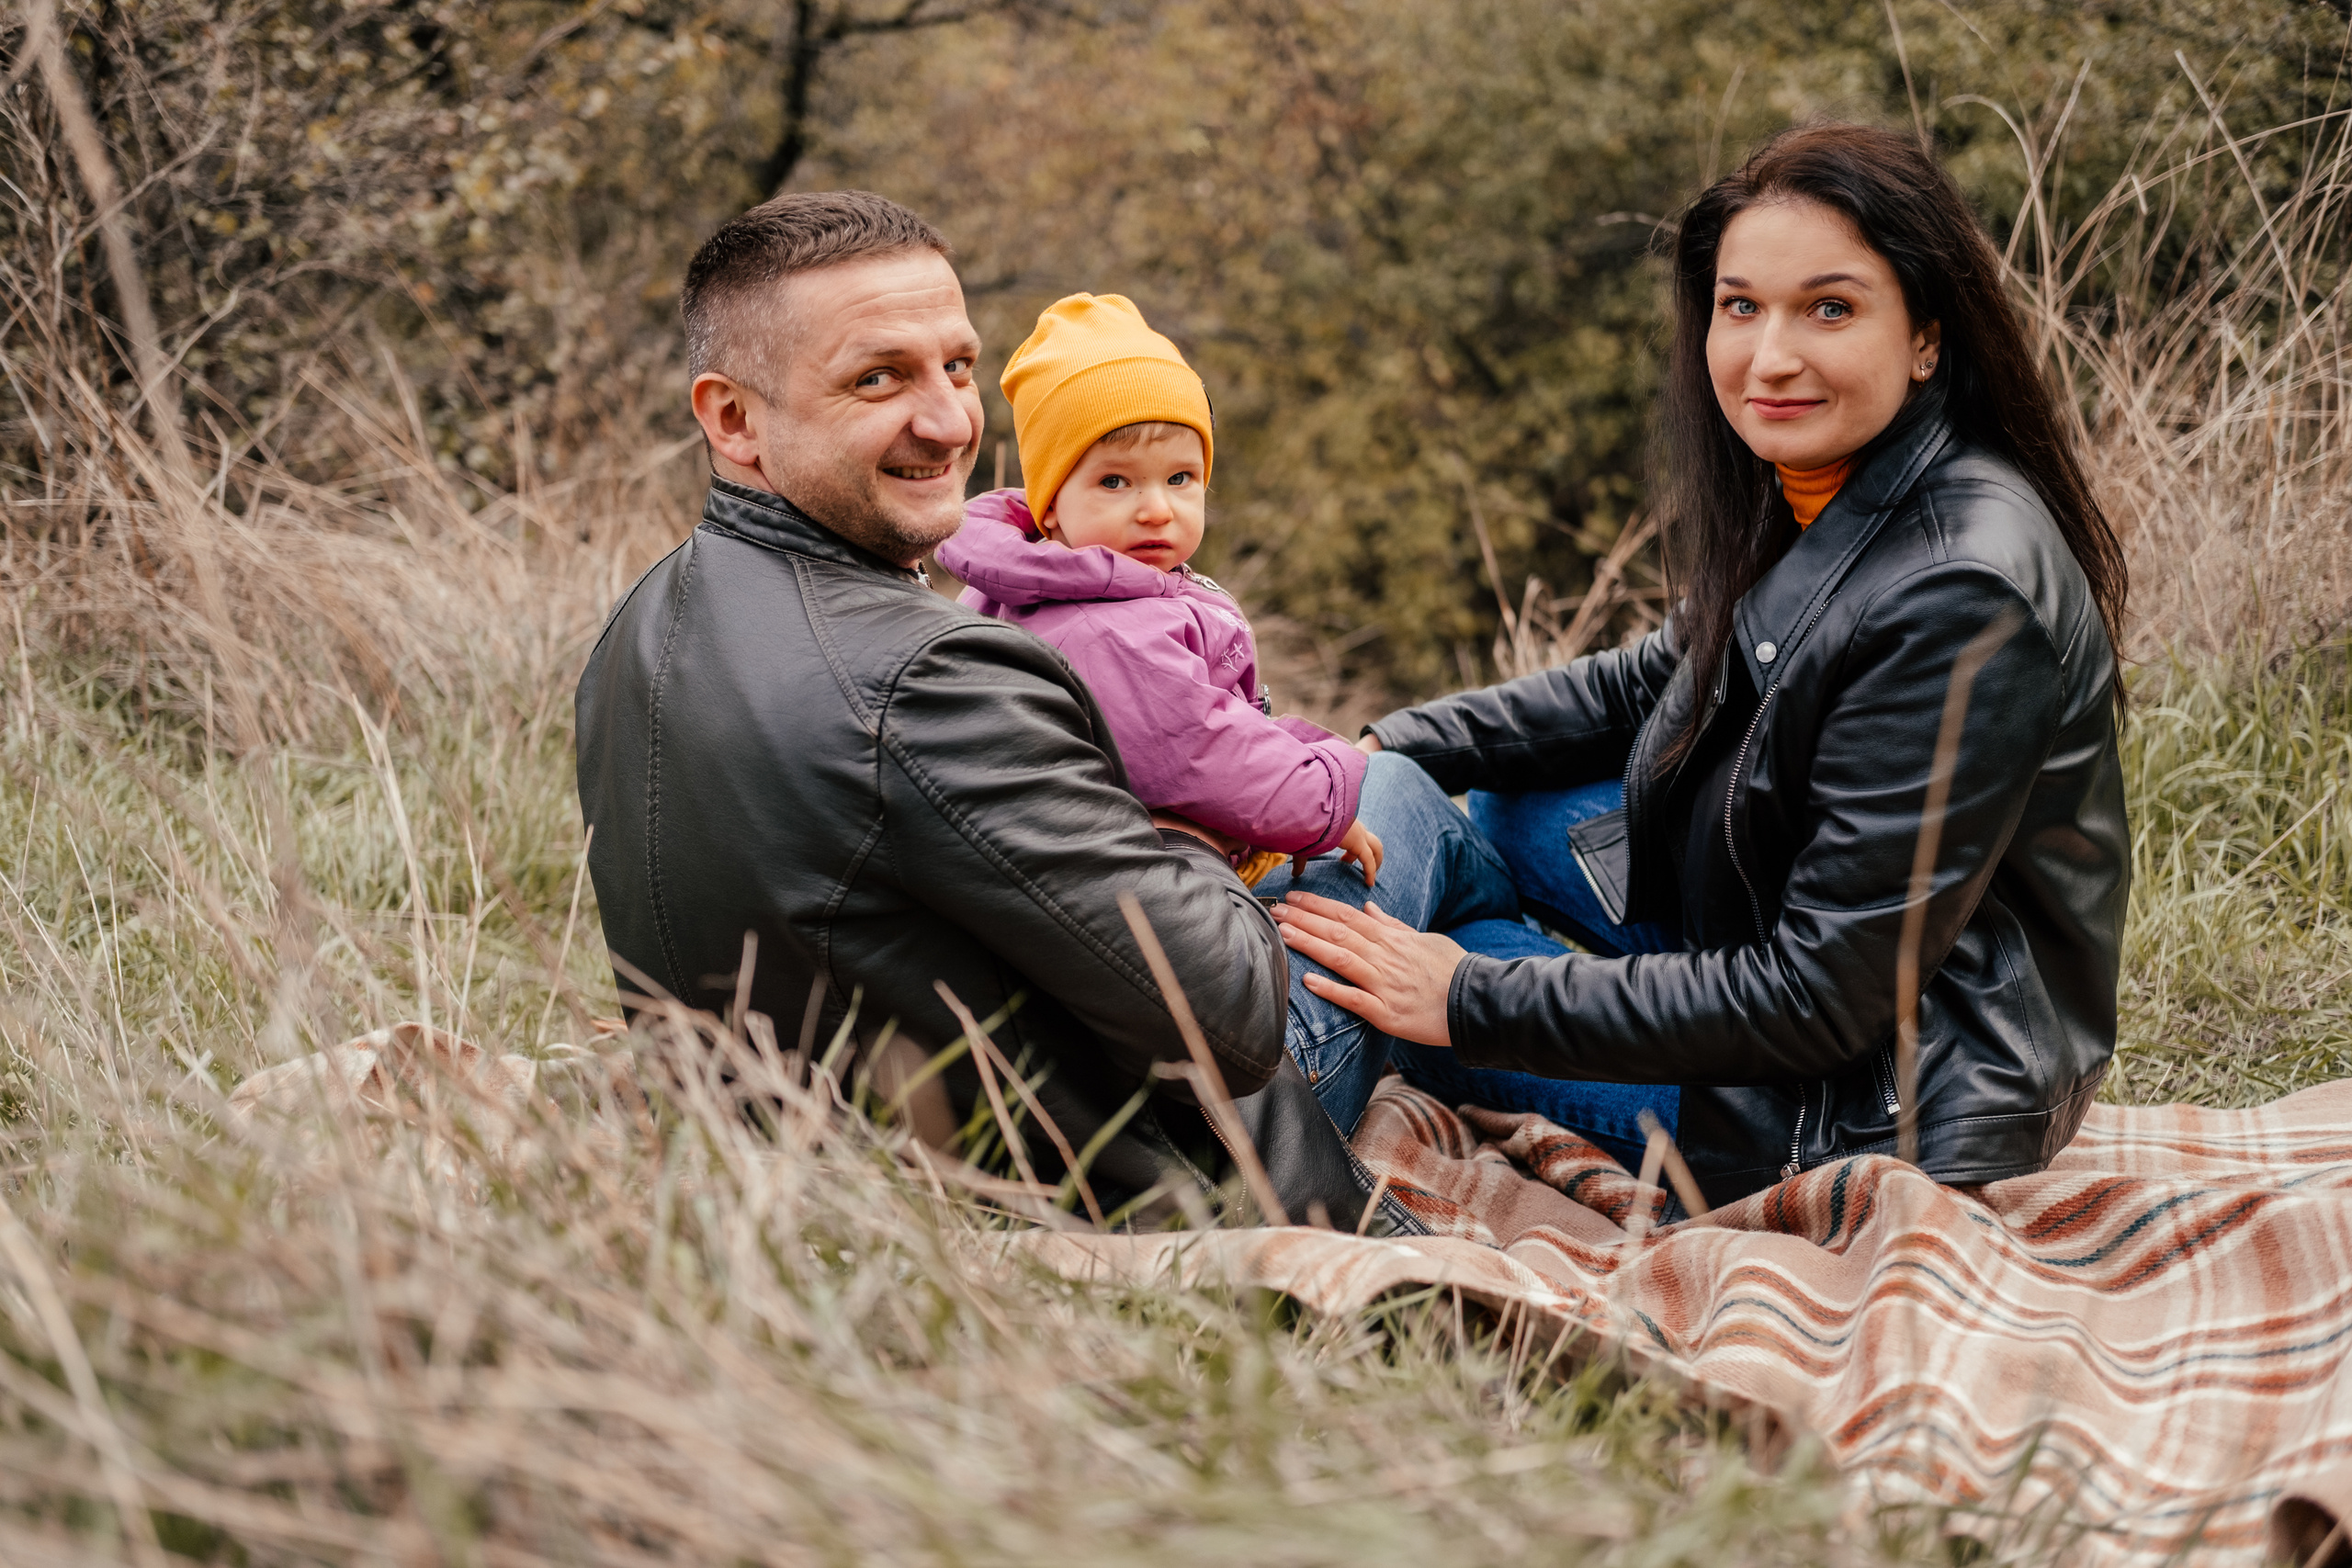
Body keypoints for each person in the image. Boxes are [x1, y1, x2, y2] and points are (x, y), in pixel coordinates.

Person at [572, 190, 1503, 1230]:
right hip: (1120, 1183)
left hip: (824, 1148)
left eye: (958, 368)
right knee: (1408, 798)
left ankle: (1572, 1002)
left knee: (1470, 920)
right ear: (732, 418)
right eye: (877, 378)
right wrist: (1185, 830)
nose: (950, 421)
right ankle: (1676, 1089)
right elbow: (1236, 1015)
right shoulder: (928, 681)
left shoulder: (642, 623)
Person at [1271, 121, 2132, 1207]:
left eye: (1830, 308)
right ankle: (1389, 944)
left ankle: (1270, 1090)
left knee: (1416, 957)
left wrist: (1469, 997)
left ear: (1926, 336)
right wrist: (1385, 741)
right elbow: (1641, 683)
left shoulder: (1959, 597)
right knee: (1453, 795)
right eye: (1740, 306)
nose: (1768, 358)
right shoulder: (1830, 481)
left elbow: (1817, 998)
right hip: (1781, 933)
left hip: (1858, 1103)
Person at [937, 292, 1381, 889]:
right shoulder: (1100, 627)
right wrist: (1326, 799)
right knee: (1410, 849)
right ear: (1051, 505)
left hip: (1166, 865)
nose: (1155, 509)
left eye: (1180, 478)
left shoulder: (1090, 583)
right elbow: (1203, 748)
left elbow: (1218, 716)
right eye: (1115, 481)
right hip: (1158, 899)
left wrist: (1303, 757)